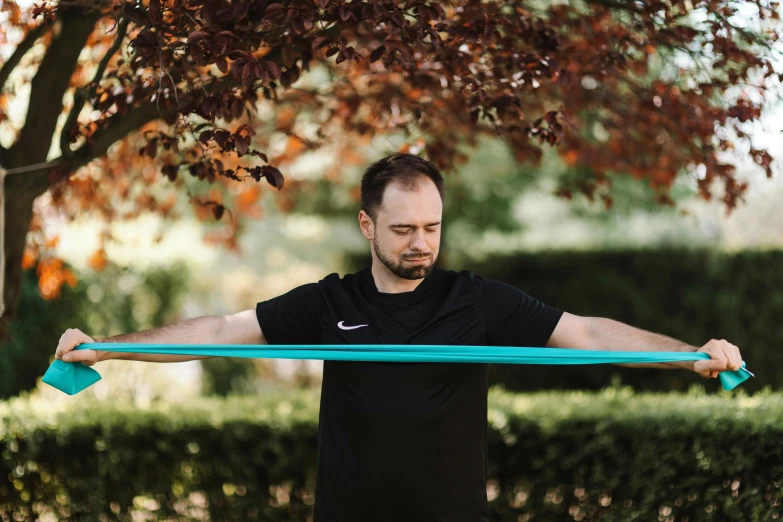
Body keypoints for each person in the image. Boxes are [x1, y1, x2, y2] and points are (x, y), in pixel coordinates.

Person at [55, 153, 744, 522]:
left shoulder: (477, 300)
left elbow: (586, 329)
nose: (422, 245)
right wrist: (109, 346)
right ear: (367, 227)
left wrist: (689, 354)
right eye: (404, 230)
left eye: (432, 228)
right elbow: (217, 331)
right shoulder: (330, 302)